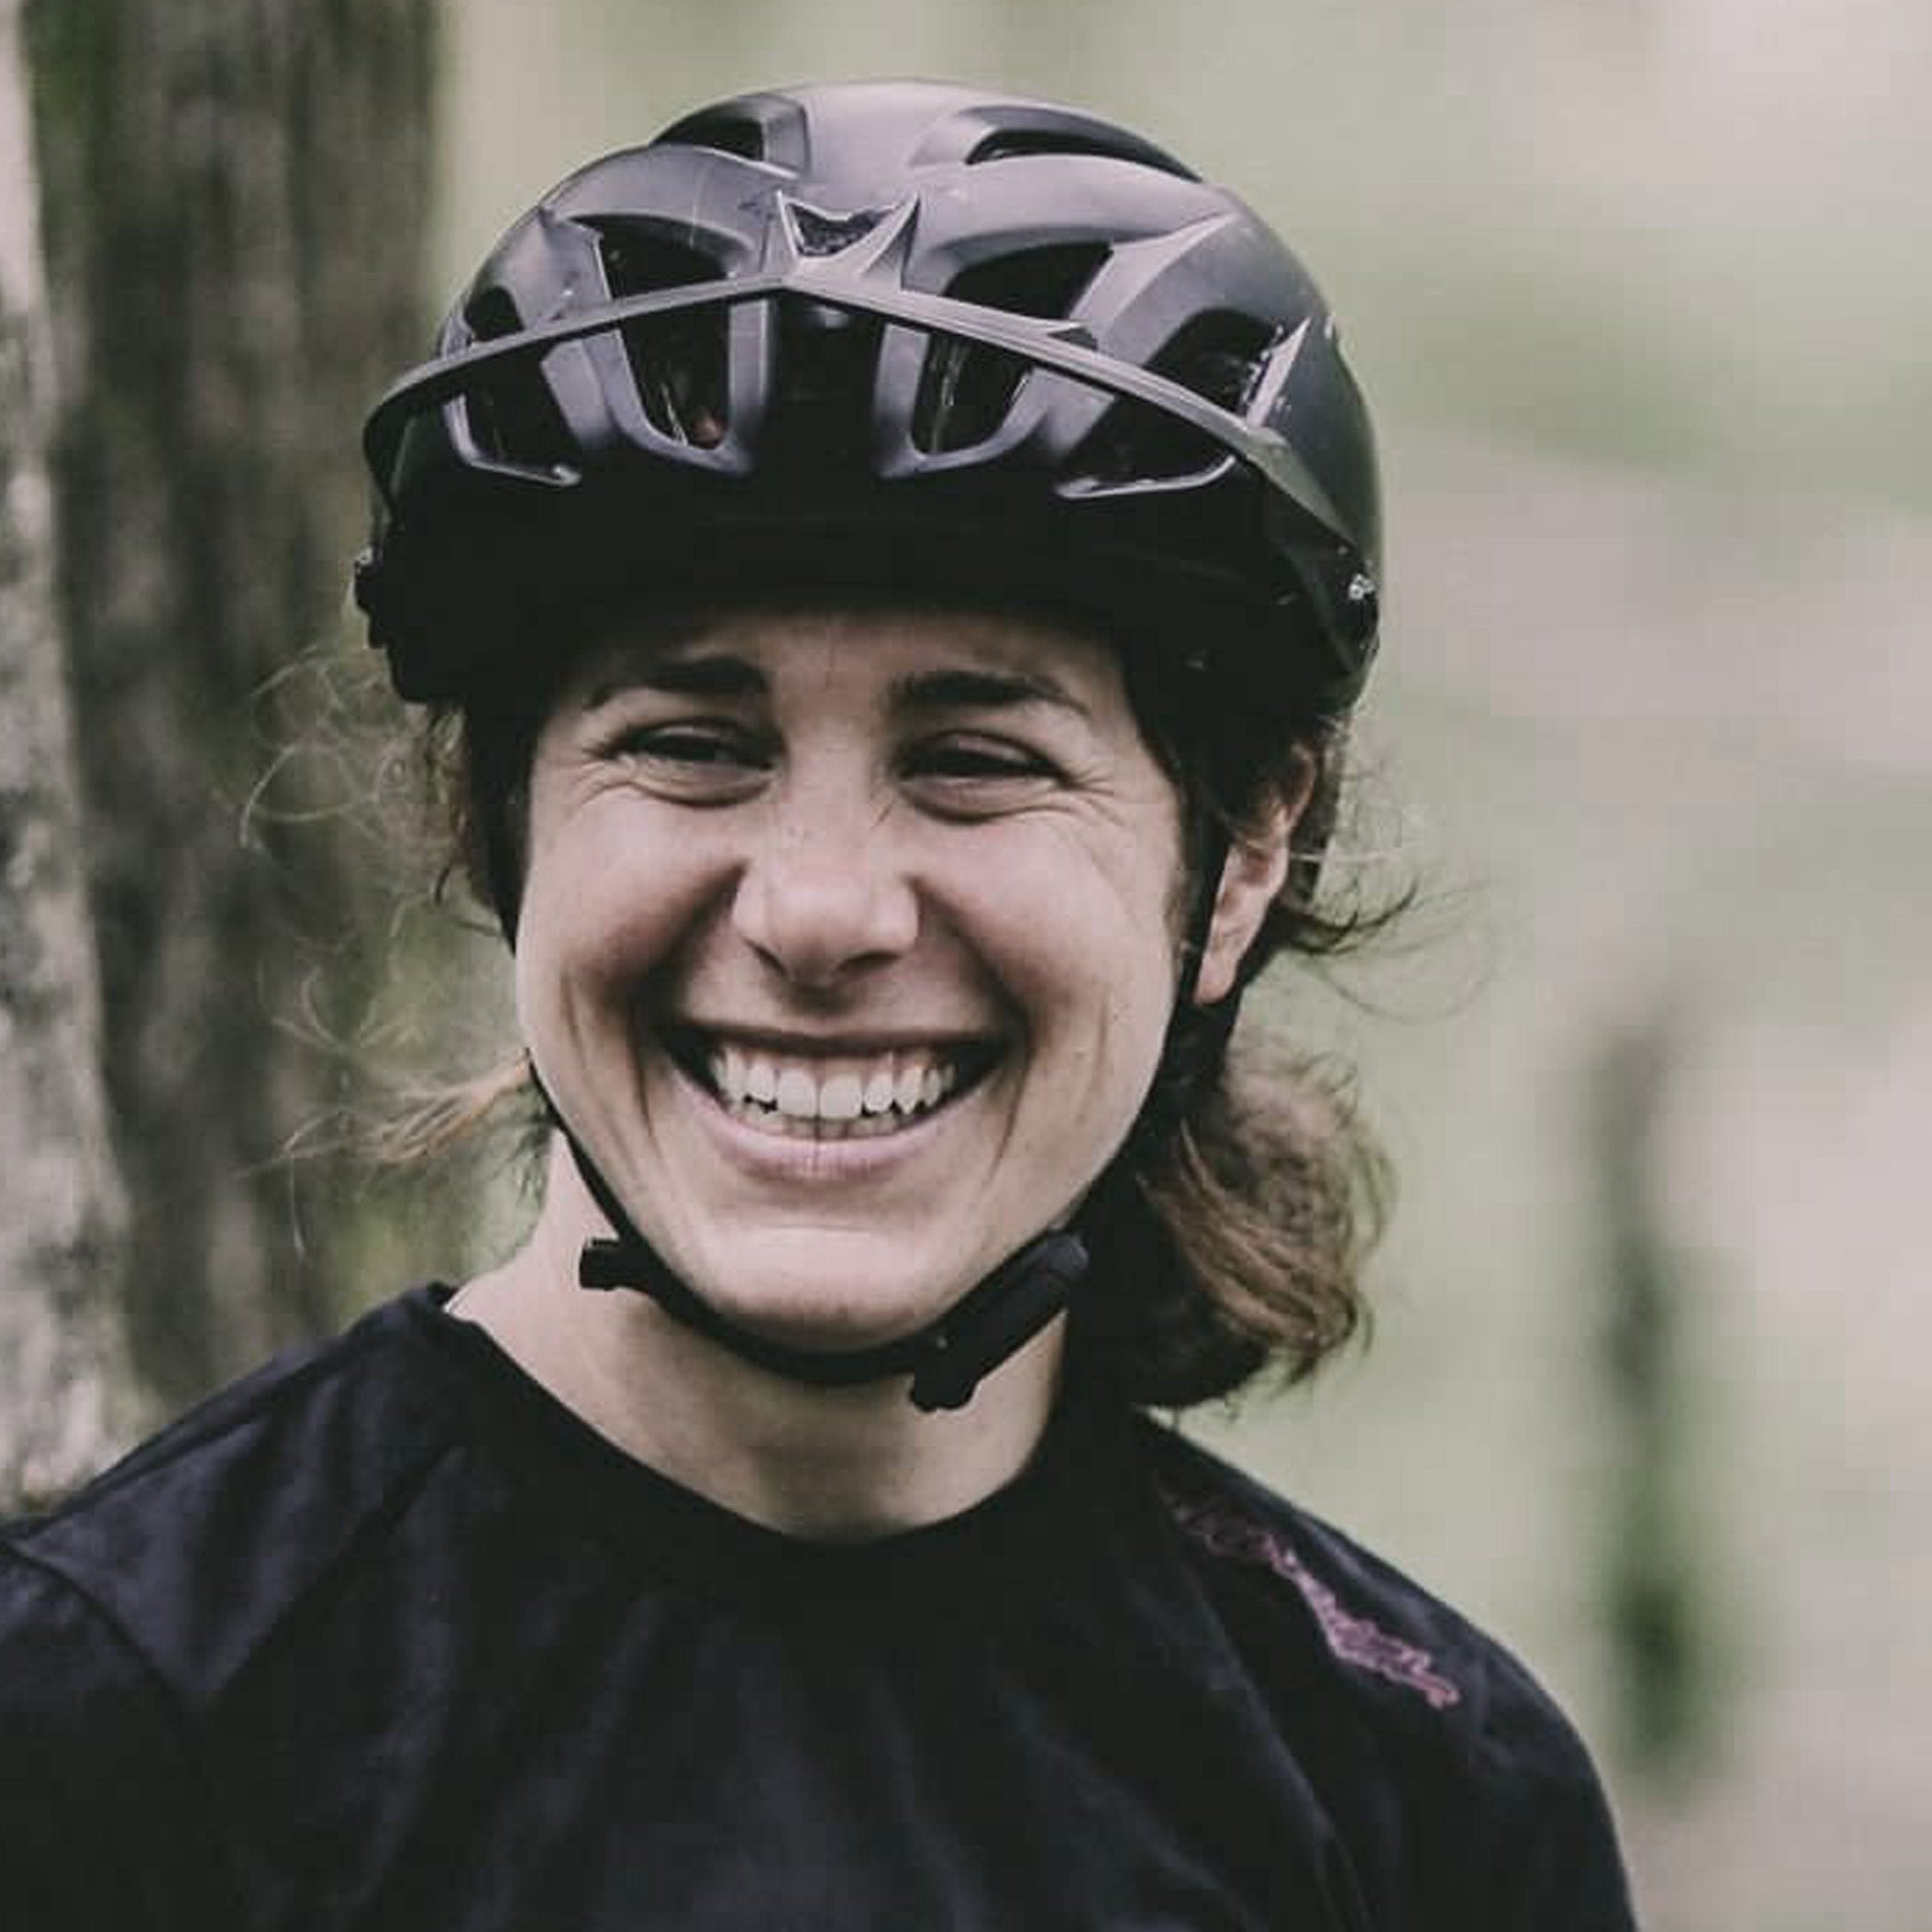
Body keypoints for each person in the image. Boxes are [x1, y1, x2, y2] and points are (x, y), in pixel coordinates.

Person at [0, 80, 1639, 1928]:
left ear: (1240, 857)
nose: (823, 910)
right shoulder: (117, 1728)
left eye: (976, 757)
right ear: (497, 814)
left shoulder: (1422, 1802)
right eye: (694, 744)